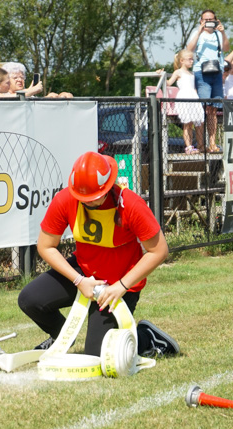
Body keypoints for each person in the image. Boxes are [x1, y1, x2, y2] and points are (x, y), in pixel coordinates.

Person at [18, 151, 178, 358]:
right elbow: (45, 246)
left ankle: (146, 337)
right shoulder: (65, 199)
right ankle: (61, 337)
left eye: (94, 198)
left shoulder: (130, 203)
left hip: (119, 283)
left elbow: (159, 250)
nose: (88, 202)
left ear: (108, 187)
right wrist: (78, 280)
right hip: (84, 272)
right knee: (30, 299)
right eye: (82, 198)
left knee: (99, 356)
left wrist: (120, 286)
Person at [186, 9, 230, 153]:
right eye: (205, 19)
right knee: (202, 109)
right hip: (201, 72)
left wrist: (223, 32)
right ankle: (200, 143)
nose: (208, 22)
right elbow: (189, 49)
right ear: (201, 21)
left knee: (213, 110)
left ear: (216, 20)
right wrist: (199, 31)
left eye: (211, 19)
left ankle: (212, 143)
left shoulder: (218, 34)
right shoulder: (197, 33)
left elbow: (226, 48)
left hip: (217, 73)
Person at [165, 49, 204, 154]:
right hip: (184, 98)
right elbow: (169, 83)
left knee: (199, 122)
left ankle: (201, 145)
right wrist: (161, 75)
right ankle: (189, 146)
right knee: (187, 124)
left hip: (193, 98)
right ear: (182, 60)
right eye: (189, 59)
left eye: (192, 59)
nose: (192, 61)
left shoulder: (192, 73)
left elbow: (194, 87)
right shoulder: (178, 72)